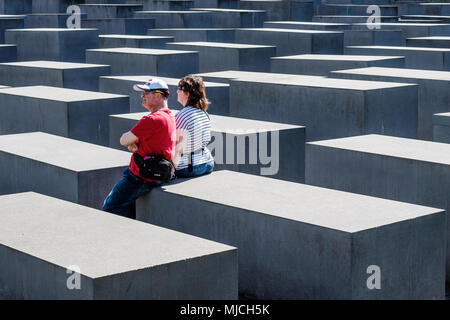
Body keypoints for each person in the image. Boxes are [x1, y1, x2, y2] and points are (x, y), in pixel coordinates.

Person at [102, 78, 176, 218]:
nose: (142, 96)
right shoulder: (169, 116)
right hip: (158, 174)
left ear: (158, 95)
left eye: (146, 93)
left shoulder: (152, 119)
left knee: (109, 209)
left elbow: (124, 140)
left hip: (139, 177)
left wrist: (133, 143)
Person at [173, 75, 214, 178]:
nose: (177, 91)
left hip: (190, 167)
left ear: (187, 94)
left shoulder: (181, 115)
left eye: (179, 89)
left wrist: (171, 171)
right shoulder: (204, 113)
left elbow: (178, 148)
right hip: (208, 162)